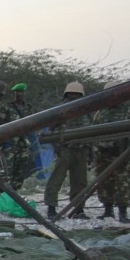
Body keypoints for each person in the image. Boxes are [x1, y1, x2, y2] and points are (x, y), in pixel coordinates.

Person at [43, 82, 90, 219]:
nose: (74, 97)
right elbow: (50, 130)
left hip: (81, 150)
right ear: (66, 95)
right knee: (56, 180)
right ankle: (51, 208)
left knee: (80, 182)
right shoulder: (60, 110)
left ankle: (78, 209)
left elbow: (89, 131)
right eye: (71, 94)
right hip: (65, 149)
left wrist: (90, 151)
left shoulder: (86, 110)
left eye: (77, 94)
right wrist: (56, 147)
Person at [91, 81, 130, 222]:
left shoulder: (127, 110)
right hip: (102, 153)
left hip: (121, 153)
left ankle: (123, 213)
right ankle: (108, 211)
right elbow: (94, 132)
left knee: (122, 183)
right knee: (103, 182)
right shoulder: (100, 112)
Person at [0, 83, 32, 191]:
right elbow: (0, 124)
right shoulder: (7, 107)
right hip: (10, 144)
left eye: (21, 92)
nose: (19, 95)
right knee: (7, 169)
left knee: (21, 170)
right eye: (17, 93)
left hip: (23, 143)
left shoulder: (28, 108)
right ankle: (4, 192)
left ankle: (15, 192)